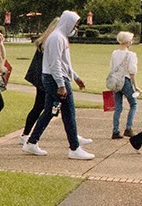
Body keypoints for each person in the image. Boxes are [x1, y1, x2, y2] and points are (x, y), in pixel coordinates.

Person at [23, 11, 95, 159]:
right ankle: (74, 147)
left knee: (50, 111)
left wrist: (75, 77)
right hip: (55, 79)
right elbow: (55, 63)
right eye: (74, 25)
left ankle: (31, 142)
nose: (75, 28)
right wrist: (61, 84)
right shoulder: (57, 38)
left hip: (55, 77)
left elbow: (64, 62)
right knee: (69, 112)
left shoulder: (59, 37)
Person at [19, 17, 58, 144]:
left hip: (40, 76)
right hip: (44, 77)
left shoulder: (45, 40)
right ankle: (26, 134)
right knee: (43, 106)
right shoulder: (51, 41)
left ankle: (26, 133)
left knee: (42, 106)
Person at [108, 31, 140, 139]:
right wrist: (136, 86)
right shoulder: (131, 55)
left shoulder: (114, 53)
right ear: (127, 42)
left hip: (116, 81)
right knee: (133, 104)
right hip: (125, 80)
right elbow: (132, 72)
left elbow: (112, 68)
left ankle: (115, 130)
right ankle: (128, 128)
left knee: (118, 107)